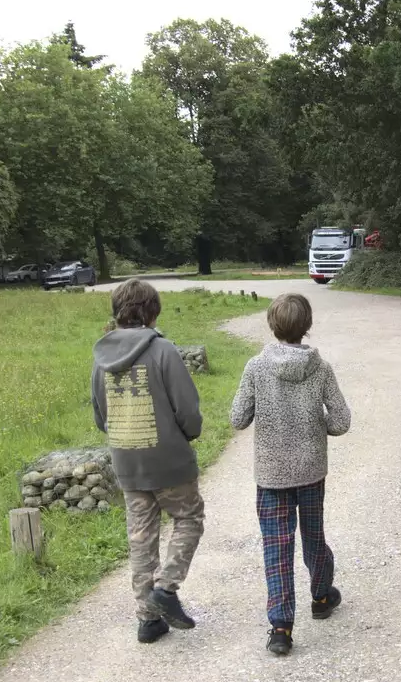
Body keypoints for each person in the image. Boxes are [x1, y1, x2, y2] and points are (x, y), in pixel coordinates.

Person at [230, 293, 352, 656]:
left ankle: (281, 626)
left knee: (277, 546)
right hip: (311, 469)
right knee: (313, 535)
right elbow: (342, 420)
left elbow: (238, 418)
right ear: (307, 326)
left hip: (271, 475)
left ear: (272, 324)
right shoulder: (322, 368)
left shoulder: (256, 367)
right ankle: (321, 596)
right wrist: (319, 427)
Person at [92, 279, 205, 644]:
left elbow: (100, 415)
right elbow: (186, 409)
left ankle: (147, 620)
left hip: (127, 459)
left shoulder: (100, 359)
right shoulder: (163, 351)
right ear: (152, 310)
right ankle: (166, 588)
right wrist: (189, 433)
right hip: (168, 458)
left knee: (141, 538)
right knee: (188, 519)